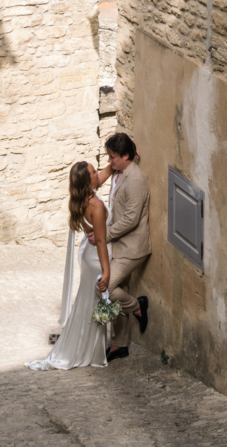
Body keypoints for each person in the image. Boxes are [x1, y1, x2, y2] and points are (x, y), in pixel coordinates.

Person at [27, 160, 110, 370]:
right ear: (87, 181)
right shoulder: (96, 206)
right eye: (93, 172)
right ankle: (89, 350)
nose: (97, 173)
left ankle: (85, 346)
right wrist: (106, 271)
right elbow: (101, 240)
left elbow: (101, 177)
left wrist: (116, 163)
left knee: (86, 303)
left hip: (88, 257)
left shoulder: (80, 199)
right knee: (93, 304)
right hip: (97, 259)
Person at [96, 132, 150, 362]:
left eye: (113, 157)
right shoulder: (122, 170)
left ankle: (137, 306)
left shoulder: (136, 180)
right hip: (119, 246)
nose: (110, 161)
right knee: (118, 291)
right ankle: (119, 345)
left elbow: (131, 219)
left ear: (125, 156)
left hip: (132, 249)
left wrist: (104, 235)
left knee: (105, 288)